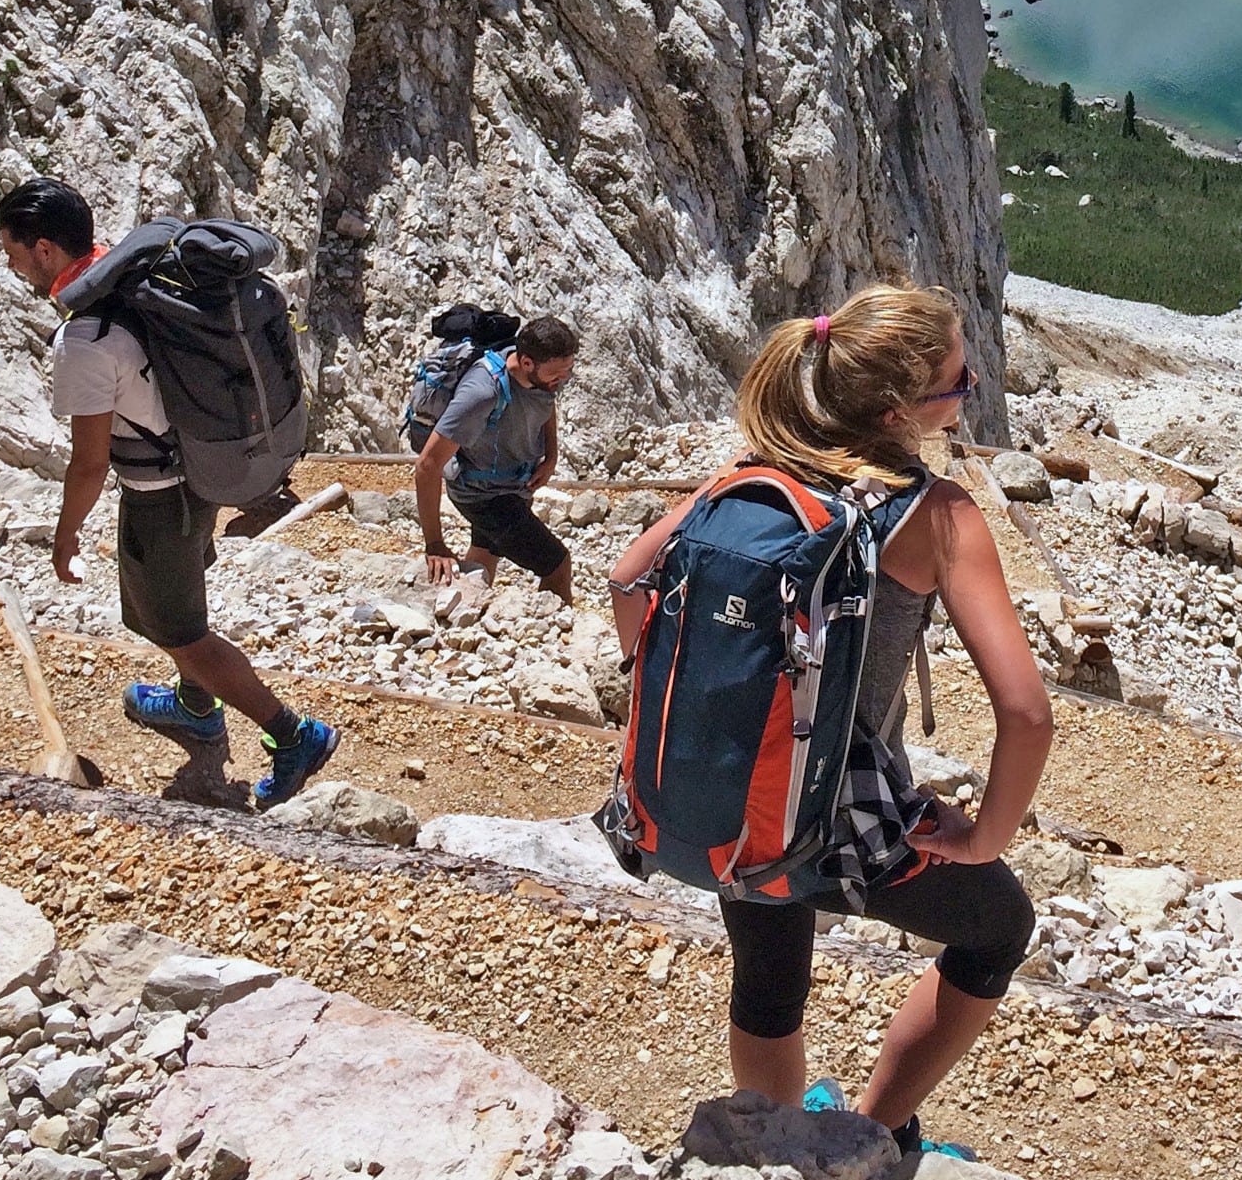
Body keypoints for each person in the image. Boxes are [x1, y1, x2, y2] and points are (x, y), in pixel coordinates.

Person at [608, 286, 1053, 1159]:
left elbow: (630, 581)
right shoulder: (937, 513)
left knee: (770, 975)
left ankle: (782, 1151)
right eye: (960, 384)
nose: (970, 394)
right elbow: (1026, 712)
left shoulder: (750, 476)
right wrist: (982, 836)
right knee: (998, 923)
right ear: (898, 411)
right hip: (847, 811)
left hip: (743, 792)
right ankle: (877, 1133)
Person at [0, 179, 339, 806]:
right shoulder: (137, 281)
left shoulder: (85, 339)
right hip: (199, 471)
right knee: (163, 610)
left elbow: (90, 462)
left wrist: (66, 531)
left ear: (44, 249)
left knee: (182, 633)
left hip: (160, 497)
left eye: (11, 248)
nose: (8, 260)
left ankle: (294, 735)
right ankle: (192, 705)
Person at [413, 315, 578, 601]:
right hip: (483, 497)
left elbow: (545, 401)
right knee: (557, 565)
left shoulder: (544, 377)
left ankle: (461, 615)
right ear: (527, 363)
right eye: (557, 374)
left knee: (483, 558)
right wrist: (435, 544)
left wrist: (551, 457)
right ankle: (558, 637)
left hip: (513, 485)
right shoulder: (482, 392)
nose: (562, 380)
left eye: (567, 371)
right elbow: (427, 465)